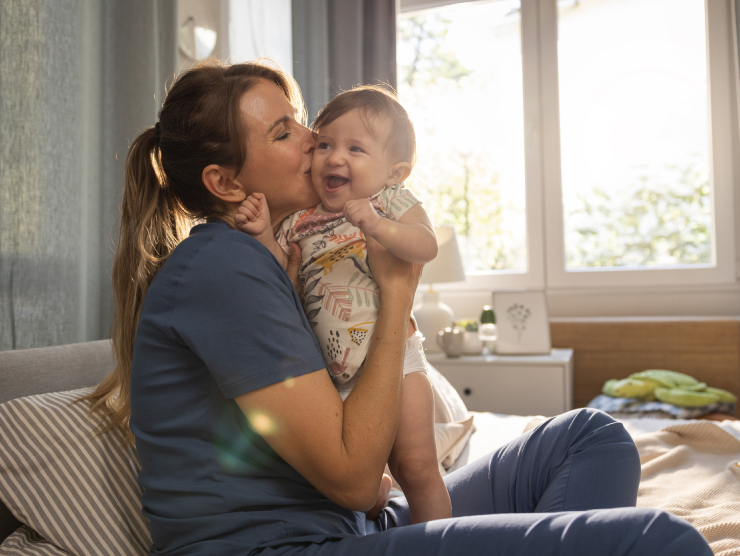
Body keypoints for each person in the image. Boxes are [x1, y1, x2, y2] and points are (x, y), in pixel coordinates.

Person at [85, 59, 712, 556]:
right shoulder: (221, 268)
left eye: (300, 120)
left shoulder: (277, 249)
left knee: (592, 437)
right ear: (225, 184)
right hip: (289, 546)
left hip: (357, 523)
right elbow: (356, 477)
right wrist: (396, 301)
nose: (314, 140)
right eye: (284, 132)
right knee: (659, 541)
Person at [235, 85, 450, 524]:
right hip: (334, 375)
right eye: (326, 144)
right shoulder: (301, 218)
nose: (334, 158)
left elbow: (426, 245)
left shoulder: (388, 201)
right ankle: (380, 496)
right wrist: (261, 234)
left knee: (418, 465)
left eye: (356, 148)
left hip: (399, 359)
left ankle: (443, 541)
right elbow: (278, 275)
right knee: (359, 486)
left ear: (395, 172)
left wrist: (380, 227)